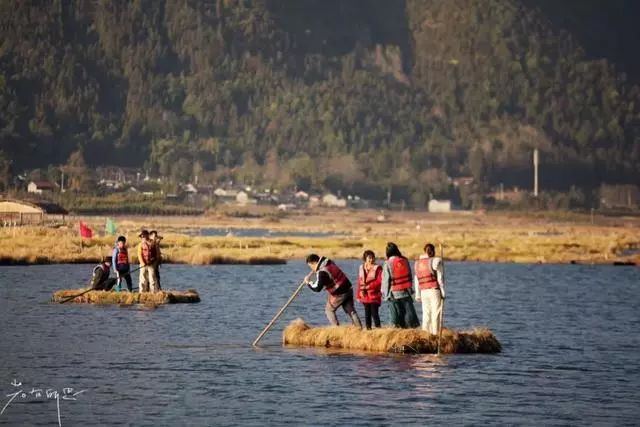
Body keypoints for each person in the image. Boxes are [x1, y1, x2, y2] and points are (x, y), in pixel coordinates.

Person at [304, 254, 362, 328]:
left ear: (314, 263)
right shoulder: (328, 262)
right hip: (348, 287)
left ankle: (336, 329)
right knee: (350, 310)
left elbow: (317, 288)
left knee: (329, 310)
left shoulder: (322, 272)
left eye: (310, 266)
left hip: (339, 292)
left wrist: (308, 282)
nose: (311, 268)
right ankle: (359, 328)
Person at [381, 242, 419, 328]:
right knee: (407, 313)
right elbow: (409, 275)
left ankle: (396, 329)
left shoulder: (387, 263)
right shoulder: (405, 260)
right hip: (406, 291)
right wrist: (410, 289)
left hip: (394, 293)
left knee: (395, 314)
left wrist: (385, 295)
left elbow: (386, 280)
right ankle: (410, 328)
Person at [414, 243, 446, 335]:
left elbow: (416, 279)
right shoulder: (436, 261)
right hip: (434, 290)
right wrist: (443, 292)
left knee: (426, 314)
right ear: (434, 251)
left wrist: (417, 294)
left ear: (425, 251)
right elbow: (440, 279)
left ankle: (425, 334)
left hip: (423, 291)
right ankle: (435, 335)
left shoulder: (418, 263)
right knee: (435, 314)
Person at [356, 250, 382, 329]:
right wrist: (358, 295)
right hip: (365, 296)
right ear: (365, 259)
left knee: (375, 314)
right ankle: (368, 329)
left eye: (373, 258)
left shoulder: (378, 269)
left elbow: (379, 281)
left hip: (374, 296)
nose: (371, 260)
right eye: (369, 258)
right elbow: (359, 282)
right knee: (367, 314)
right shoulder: (361, 268)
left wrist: (369, 287)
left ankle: (378, 329)